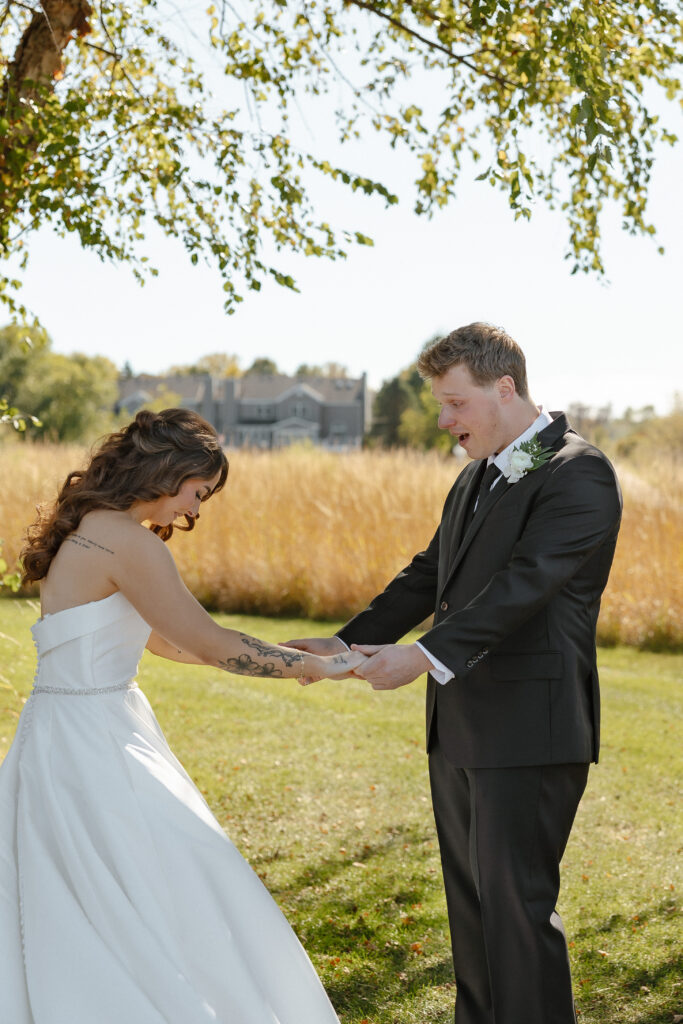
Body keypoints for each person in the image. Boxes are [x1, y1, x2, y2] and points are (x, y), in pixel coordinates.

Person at [286, 323, 622, 1024]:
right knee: (472, 916)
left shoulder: (576, 472)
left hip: (531, 728)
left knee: (516, 914)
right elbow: (428, 575)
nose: (443, 420)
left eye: (454, 403)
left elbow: (523, 587)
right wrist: (344, 645)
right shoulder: (473, 474)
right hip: (463, 725)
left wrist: (420, 656)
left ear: (504, 389)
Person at [0, 407, 364, 1024]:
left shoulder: (90, 526)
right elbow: (206, 640)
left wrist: (280, 653)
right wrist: (313, 668)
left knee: (87, 885)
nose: (193, 511)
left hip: (63, 732)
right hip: (97, 741)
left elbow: (163, 640)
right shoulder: (129, 541)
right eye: (198, 492)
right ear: (169, 471)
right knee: (177, 869)